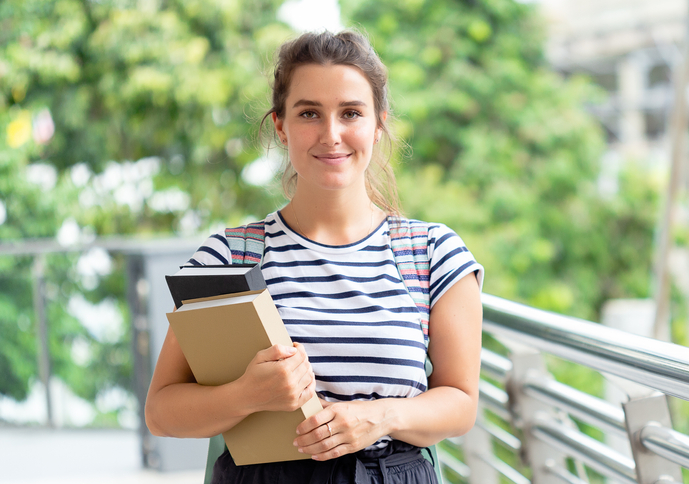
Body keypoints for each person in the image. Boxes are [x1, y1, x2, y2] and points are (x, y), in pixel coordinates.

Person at [144, 30, 484, 484]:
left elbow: (460, 403)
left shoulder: (432, 253)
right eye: (309, 113)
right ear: (280, 125)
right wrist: (247, 395)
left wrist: (378, 418)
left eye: (351, 113)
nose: (331, 134)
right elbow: (162, 413)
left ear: (378, 124)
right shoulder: (228, 256)